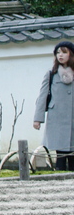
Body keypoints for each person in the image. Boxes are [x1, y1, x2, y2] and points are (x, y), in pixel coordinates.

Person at [34, 41, 74, 171]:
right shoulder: (51, 74)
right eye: (58, 52)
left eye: (64, 52)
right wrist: (38, 119)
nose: (60, 55)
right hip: (57, 118)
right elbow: (42, 96)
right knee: (60, 154)